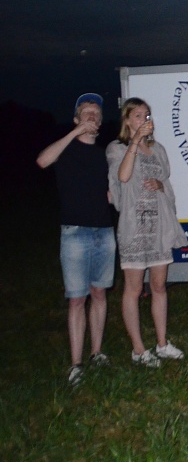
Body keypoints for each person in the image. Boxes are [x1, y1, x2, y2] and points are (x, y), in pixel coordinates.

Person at [37, 93, 116, 386]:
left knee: (99, 293)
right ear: (76, 119)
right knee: (76, 299)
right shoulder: (65, 149)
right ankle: (76, 364)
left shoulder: (105, 154)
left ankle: (96, 352)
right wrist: (74, 133)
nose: (92, 116)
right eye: (86, 113)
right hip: (74, 233)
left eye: (96, 113)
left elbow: (113, 189)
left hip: (104, 231)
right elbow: (42, 161)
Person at [107, 98, 187, 368]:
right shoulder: (117, 148)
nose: (144, 119)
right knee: (133, 288)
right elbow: (123, 177)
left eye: (147, 115)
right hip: (134, 227)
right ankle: (138, 349)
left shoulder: (158, 149)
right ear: (127, 120)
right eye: (138, 115)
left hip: (158, 226)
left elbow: (165, 181)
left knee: (159, 286)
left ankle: (162, 344)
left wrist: (160, 186)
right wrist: (134, 142)